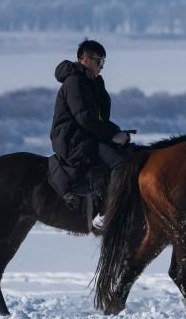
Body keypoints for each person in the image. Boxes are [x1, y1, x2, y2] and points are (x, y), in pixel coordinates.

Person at [49, 39, 132, 209]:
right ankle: (106, 211)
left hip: (88, 135)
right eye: (99, 62)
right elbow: (85, 118)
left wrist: (116, 132)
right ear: (85, 59)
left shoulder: (93, 81)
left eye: (103, 62)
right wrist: (112, 135)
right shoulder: (74, 82)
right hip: (73, 140)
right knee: (120, 163)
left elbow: (101, 118)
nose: (102, 67)